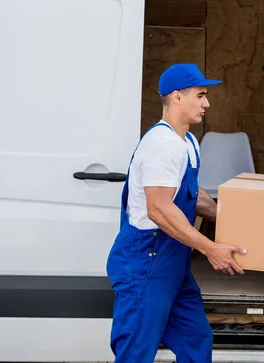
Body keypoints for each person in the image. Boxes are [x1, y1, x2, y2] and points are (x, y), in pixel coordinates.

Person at [106, 63, 247, 363]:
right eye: (201, 95)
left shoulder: (188, 142)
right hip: (145, 263)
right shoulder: (162, 145)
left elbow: (192, 196)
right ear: (177, 97)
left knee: (196, 340)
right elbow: (158, 208)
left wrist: (236, 222)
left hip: (174, 264)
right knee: (136, 352)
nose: (207, 103)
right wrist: (210, 249)